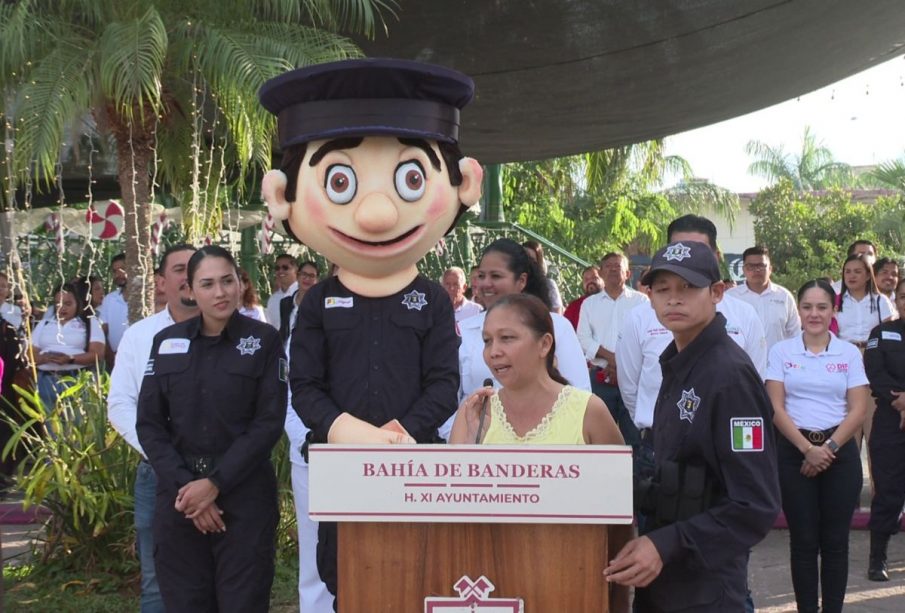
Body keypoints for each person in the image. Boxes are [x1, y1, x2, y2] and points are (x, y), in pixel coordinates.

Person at [259, 58, 484, 604]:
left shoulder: (431, 298)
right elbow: (305, 385)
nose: (378, 213)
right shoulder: (317, 302)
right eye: (340, 182)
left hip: (416, 466)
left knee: (418, 577)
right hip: (339, 467)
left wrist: (402, 432)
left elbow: (442, 380)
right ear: (282, 194)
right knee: (346, 581)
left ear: (465, 184)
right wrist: (344, 430)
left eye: (410, 178)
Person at [604, 240, 780, 611]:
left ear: (717, 292)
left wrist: (667, 544)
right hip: (665, 577)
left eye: (688, 287)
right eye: (662, 289)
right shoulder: (679, 361)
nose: (673, 299)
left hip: (706, 586)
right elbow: (686, 471)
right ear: (648, 296)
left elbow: (754, 504)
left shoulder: (729, 376)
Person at [137, 245, 286, 612]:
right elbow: (150, 423)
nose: (219, 292)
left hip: (244, 496)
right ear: (190, 289)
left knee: (243, 602)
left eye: (227, 281)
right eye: (207, 284)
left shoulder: (265, 341)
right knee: (186, 602)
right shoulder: (167, 342)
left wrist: (215, 484)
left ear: (239, 284)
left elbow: (268, 423)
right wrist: (191, 490)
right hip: (180, 498)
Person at [765, 279, 869, 613]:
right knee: (804, 542)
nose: (814, 314)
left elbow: (858, 409)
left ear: (833, 310)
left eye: (822, 307)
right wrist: (806, 449)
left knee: (836, 543)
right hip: (794, 452)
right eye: (807, 307)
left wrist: (828, 448)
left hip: (840, 454)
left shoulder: (849, 353)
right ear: (799, 310)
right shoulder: (781, 351)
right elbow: (775, 407)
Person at [108, 243, 198, 613]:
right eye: (180, 269)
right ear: (161, 282)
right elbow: (120, 405)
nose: (190, 277)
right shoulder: (140, 336)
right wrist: (162, 455)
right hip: (157, 474)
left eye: (197, 268)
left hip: (222, 476)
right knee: (157, 588)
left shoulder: (239, 336)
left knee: (218, 580)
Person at [446, 238, 591, 440]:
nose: (486, 284)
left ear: (521, 281)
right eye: (481, 275)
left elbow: (579, 395)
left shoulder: (557, 326)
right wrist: (467, 434)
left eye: (496, 276)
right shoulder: (463, 330)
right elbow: (449, 400)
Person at [450, 293, 622, 446]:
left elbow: (617, 479)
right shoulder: (474, 412)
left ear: (544, 344)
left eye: (507, 338)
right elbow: (453, 481)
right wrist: (472, 444)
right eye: (487, 340)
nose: (494, 352)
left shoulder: (589, 411)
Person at [577, 252, 648, 447]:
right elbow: (582, 338)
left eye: (618, 266)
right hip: (600, 377)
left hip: (633, 378)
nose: (613, 269)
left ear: (628, 273)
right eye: (608, 266)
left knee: (633, 435)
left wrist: (623, 362)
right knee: (599, 435)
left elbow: (646, 337)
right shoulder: (589, 304)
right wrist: (612, 359)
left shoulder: (642, 302)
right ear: (600, 272)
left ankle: (636, 477)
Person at [863, 276, 905, 582]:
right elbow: (875, 373)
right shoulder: (882, 332)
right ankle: (877, 557)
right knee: (888, 491)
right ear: (896, 300)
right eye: (903, 296)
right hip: (892, 419)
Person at [30, 282, 105, 411]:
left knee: (77, 422)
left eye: (68, 304)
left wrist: (70, 359)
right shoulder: (45, 323)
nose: (62, 308)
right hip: (46, 380)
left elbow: (98, 354)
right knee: (50, 425)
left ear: (78, 303)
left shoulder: (89, 322)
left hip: (76, 379)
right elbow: (29, 353)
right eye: (58, 304)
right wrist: (43, 359)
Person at [727, 245, 801, 351]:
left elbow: (795, 334)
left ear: (770, 269)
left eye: (761, 266)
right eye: (751, 266)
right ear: (743, 269)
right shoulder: (731, 297)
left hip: (777, 364)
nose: (756, 270)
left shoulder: (784, 297)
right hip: (742, 364)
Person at [835, 253, 894, 348]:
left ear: (868, 276)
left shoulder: (881, 300)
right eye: (848, 272)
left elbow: (889, 334)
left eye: (857, 272)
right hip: (843, 353)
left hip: (873, 352)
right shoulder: (835, 301)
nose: (852, 276)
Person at [278, 260, 320, 343]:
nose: (307, 278)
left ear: (317, 280)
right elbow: (283, 331)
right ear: (297, 276)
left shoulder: (319, 305)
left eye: (311, 276)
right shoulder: (285, 303)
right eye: (304, 274)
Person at [97, 253, 129, 361]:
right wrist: (111, 357)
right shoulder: (109, 299)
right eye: (115, 271)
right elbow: (103, 331)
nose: (118, 274)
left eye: (123, 269)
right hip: (115, 357)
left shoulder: (147, 298)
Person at [522, 239, 564, 314]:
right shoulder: (514, 282)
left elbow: (558, 312)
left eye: (532, 260)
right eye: (525, 258)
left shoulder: (548, 284)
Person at [264, 254, 298, 331]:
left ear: (296, 270)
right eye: (277, 268)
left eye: (285, 268)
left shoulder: (302, 294)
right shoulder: (273, 299)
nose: (280, 271)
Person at [563, 265, 602, 330]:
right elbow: (565, 330)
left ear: (603, 279)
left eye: (594, 278)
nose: (590, 281)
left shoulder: (612, 302)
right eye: (586, 279)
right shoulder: (574, 306)